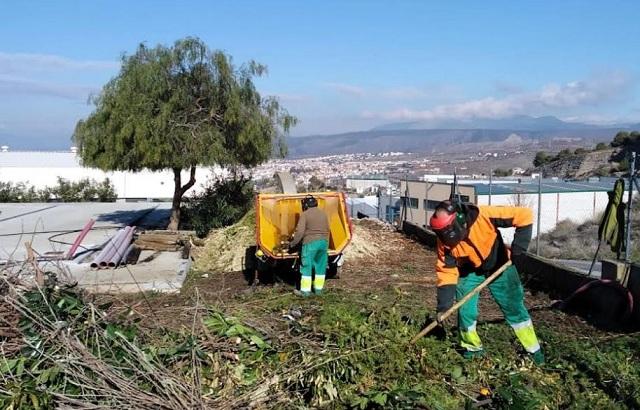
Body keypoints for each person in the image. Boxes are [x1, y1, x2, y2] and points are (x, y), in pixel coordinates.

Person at [429, 200, 544, 364]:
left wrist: (519, 249)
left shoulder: (484, 215)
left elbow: (524, 216)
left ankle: (534, 351)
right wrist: (443, 307)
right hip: (469, 271)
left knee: (514, 308)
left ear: (459, 221)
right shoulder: (444, 243)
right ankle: (472, 348)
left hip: (500, 264)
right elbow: (446, 271)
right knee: (465, 310)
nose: (445, 238)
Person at [289, 195, 330, 296]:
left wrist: (292, 244)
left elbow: (299, 232)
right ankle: (318, 290)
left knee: (306, 266)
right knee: (320, 266)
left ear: (305, 205)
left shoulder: (305, 214)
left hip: (310, 243)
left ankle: (305, 292)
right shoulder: (323, 214)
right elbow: (327, 229)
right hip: (324, 243)